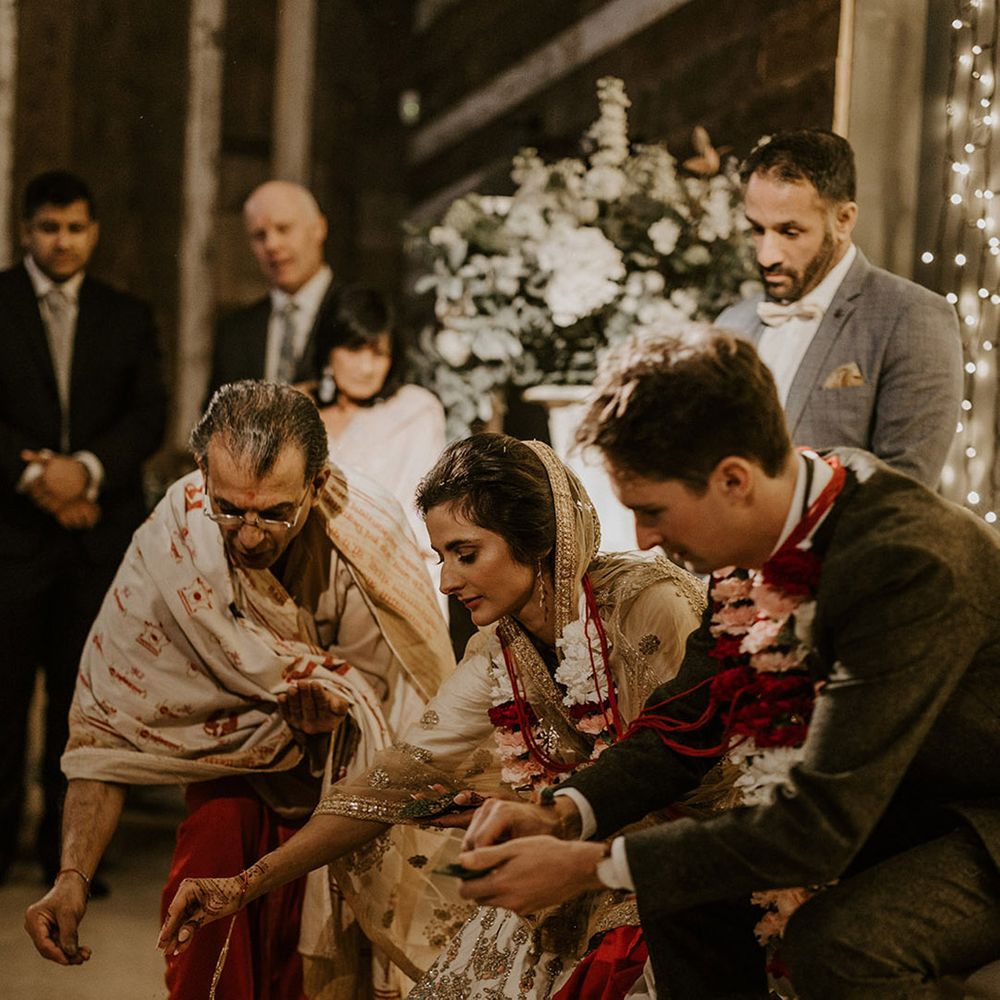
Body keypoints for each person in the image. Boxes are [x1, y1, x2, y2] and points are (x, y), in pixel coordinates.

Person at [455, 330, 1000, 999]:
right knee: (684, 892)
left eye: (652, 511)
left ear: (734, 480)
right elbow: (687, 717)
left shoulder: (905, 561)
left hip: (982, 815)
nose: (646, 538)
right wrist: (562, 813)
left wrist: (589, 865)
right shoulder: (771, 533)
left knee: (842, 943)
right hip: (895, 798)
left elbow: (820, 825)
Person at [158, 432, 708, 999]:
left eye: (466, 555)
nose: (446, 581)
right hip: (568, 866)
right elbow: (392, 779)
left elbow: (673, 769)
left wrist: (545, 816)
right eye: (442, 557)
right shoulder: (499, 651)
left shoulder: (647, 608)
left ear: (537, 540)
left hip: (688, 870)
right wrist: (244, 885)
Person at [24, 380, 454, 1000]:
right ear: (203, 474)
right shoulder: (174, 538)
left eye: (275, 513)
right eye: (229, 509)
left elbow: (391, 716)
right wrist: (72, 878)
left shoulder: (367, 537)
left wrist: (333, 720)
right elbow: (105, 731)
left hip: (346, 800)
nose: (250, 536)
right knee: (217, 845)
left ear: (317, 483)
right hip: (230, 781)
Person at [0, 170, 166, 886]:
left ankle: (68, 859)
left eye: (74, 228)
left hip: (97, 538)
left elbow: (149, 413)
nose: (61, 241)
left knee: (86, 703)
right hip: (11, 536)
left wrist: (87, 472)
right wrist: (40, 479)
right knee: (2, 699)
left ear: (93, 233)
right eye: (48, 227)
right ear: (26, 231)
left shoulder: (126, 315)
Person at [716, 128, 962, 488]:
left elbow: (905, 494)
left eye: (790, 232)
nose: (767, 256)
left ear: (843, 220)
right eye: (757, 229)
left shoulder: (912, 317)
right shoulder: (732, 323)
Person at [309, 285, 446, 601]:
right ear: (329, 351)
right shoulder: (301, 409)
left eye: (378, 353)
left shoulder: (414, 411)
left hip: (394, 581)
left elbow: (418, 520)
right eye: (355, 350)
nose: (366, 367)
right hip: (310, 581)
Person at [207, 181, 336, 395]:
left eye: (284, 229)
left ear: (318, 229)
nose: (272, 245)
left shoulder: (362, 313)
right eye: (259, 235)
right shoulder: (234, 333)